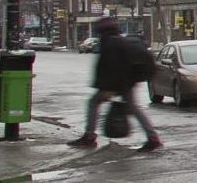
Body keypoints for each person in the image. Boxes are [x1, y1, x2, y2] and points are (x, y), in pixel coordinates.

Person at [67, 17, 162, 151]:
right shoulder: (117, 40)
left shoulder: (109, 43)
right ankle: (153, 138)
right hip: (126, 83)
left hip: (116, 84)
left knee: (93, 103)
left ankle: (89, 136)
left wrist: (108, 88)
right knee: (133, 108)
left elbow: (111, 67)